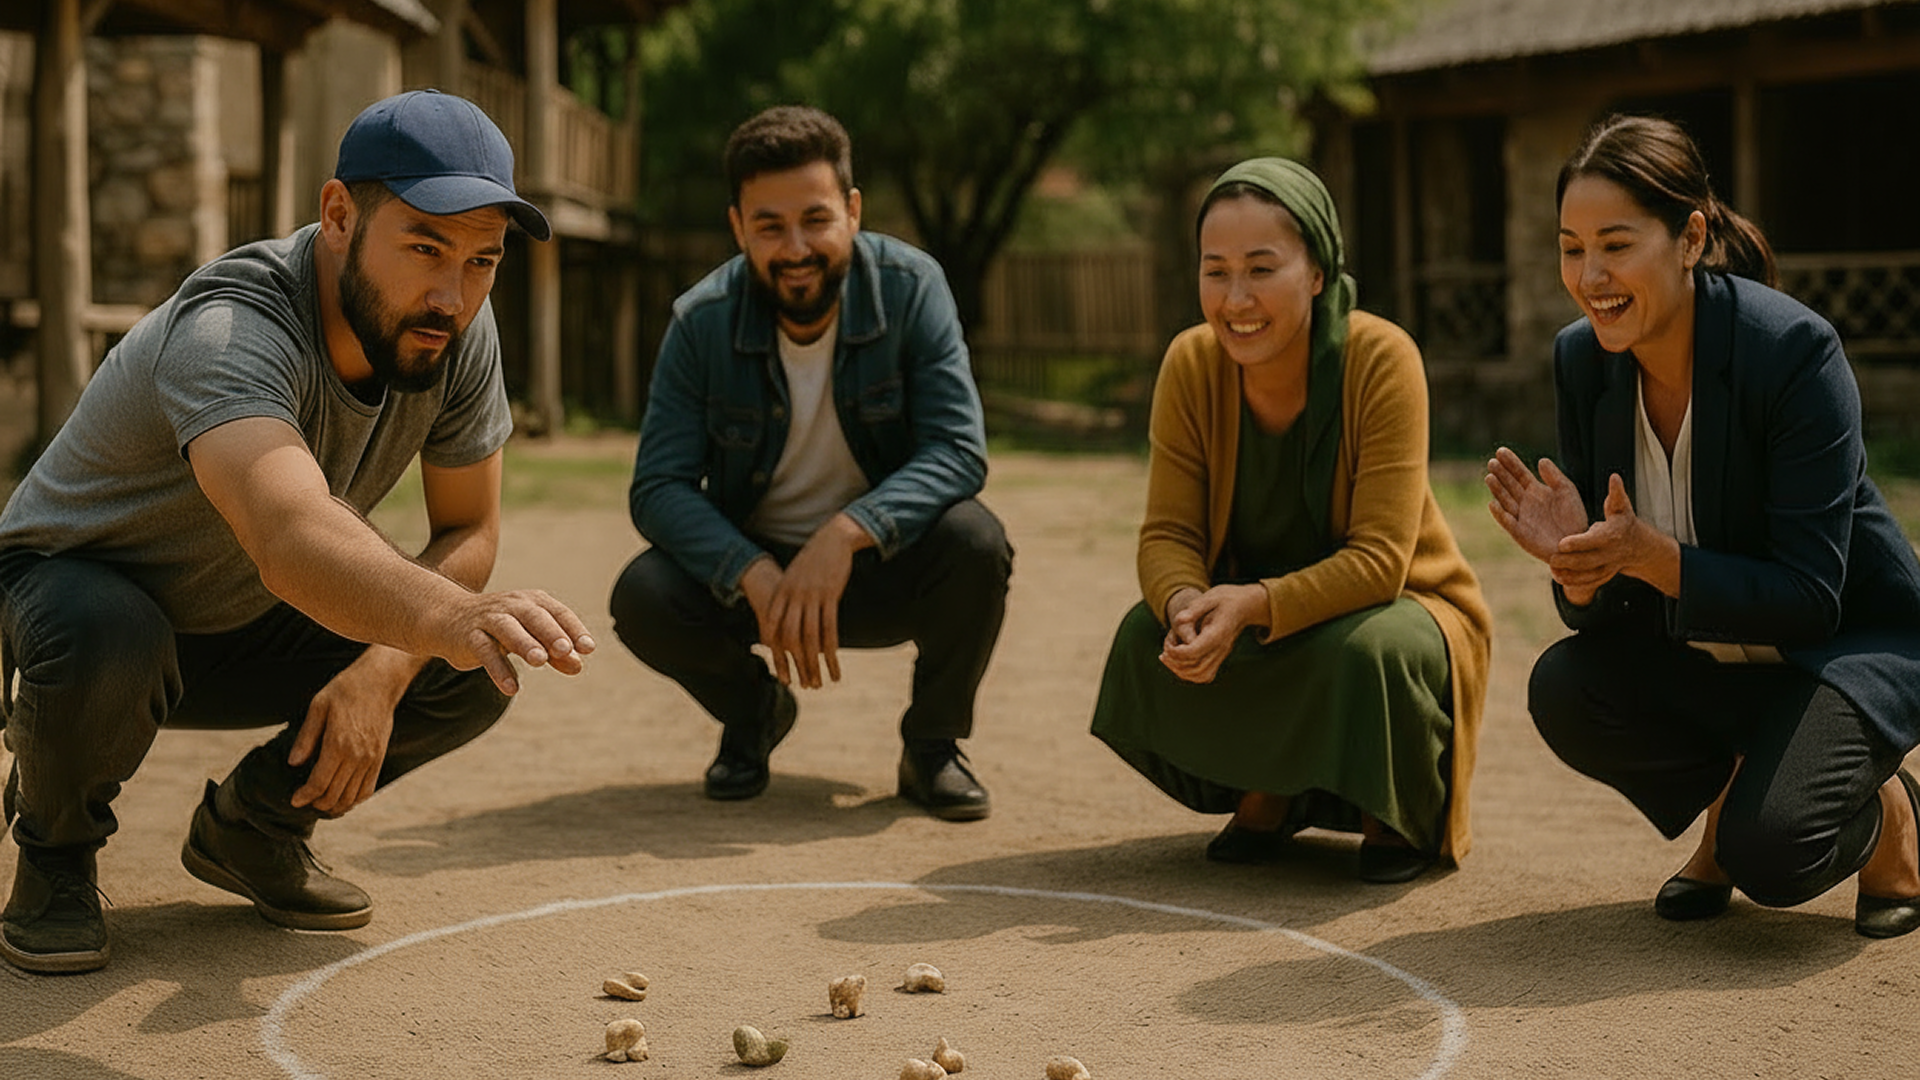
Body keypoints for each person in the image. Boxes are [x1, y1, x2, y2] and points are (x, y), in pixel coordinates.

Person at [0, 90, 594, 975]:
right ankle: (56, 850)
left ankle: (255, 828)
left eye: (482, 260)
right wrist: (438, 618)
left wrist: (384, 670)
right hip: (74, 601)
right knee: (110, 632)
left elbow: (469, 526)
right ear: (339, 215)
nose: (452, 293)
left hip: (241, 607)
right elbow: (289, 532)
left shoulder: (455, 329)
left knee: (480, 662)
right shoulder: (231, 326)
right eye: (426, 246)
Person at [1486, 115, 1920, 937]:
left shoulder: (1793, 353)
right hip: (1717, 656)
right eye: (1571, 247)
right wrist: (1582, 569)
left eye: (1615, 245)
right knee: (1567, 689)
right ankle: (1739, 789)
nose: (1589, 275)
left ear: (1690, 237)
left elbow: (1811, 598)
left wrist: (1657, 558)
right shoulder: (1582, 360)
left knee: (1775, 854)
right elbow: (1615, 613)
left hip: (1843, 648)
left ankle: (1889, 810)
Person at [1089, 158, 1493, 884]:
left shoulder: (1381, 358)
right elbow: (1168, 535)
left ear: (1316, 271)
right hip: (1255, 604)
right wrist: (1186, 603)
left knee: (1366, 652)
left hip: (1399, 607)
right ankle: (1265, 792)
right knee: (1143, 633)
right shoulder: (1190, 363)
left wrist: (1252, 605)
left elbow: (1379, 562)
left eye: (1261, 269)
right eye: (1215, 271)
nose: (1235, 298)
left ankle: (1392, 811)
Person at [610, 106, 1011, 821]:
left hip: (877, 567)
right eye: (770, 226)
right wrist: (751, 572)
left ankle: (932, 746)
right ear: (738, 228)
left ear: (852, 212)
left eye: (816, 219)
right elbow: (658, 486)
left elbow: (958, 449)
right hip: (755, 585)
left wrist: (849, 531)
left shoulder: (915, 288)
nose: (796, 247)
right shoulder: (700, 322)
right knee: (643, 595)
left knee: (977, 543)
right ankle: (755, 714)